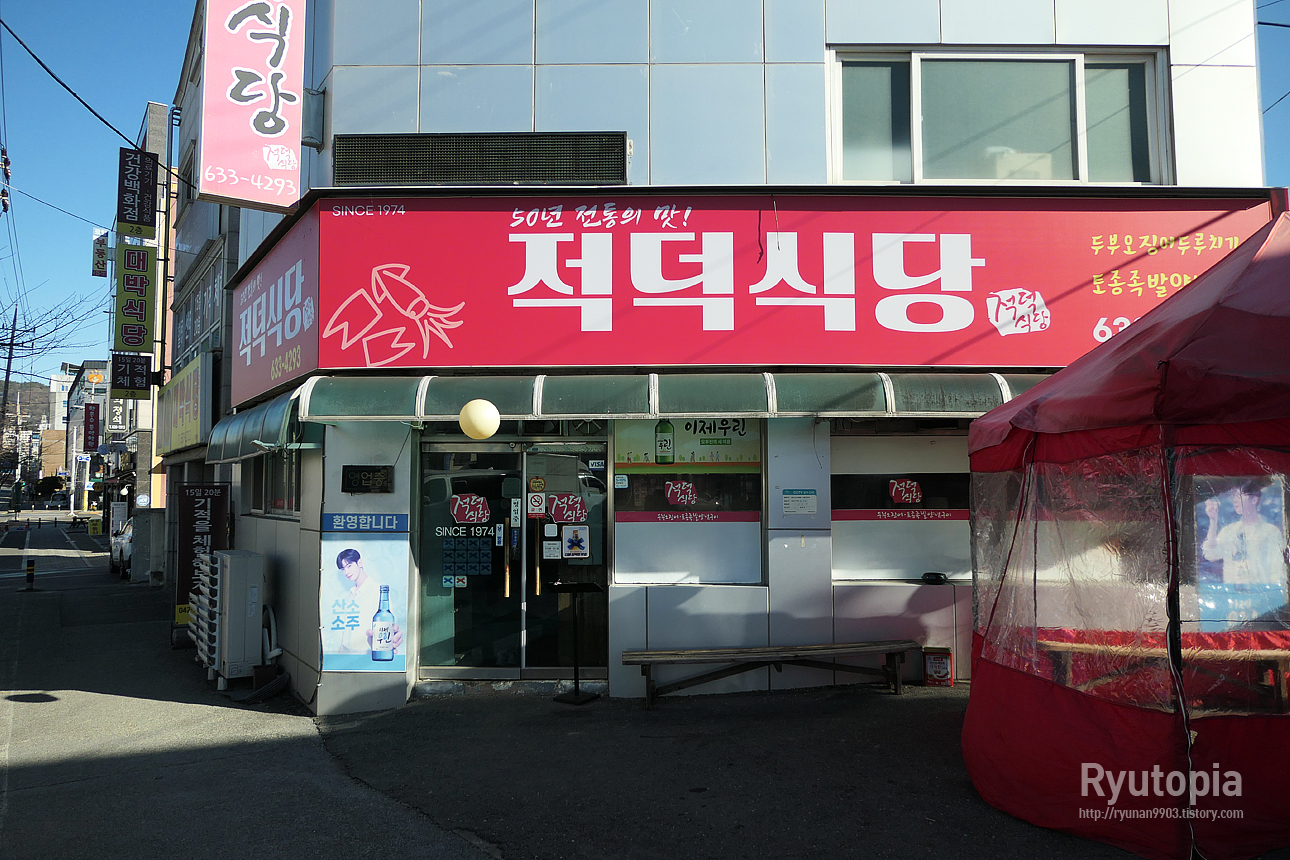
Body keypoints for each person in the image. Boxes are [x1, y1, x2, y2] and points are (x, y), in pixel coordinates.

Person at [1201, 480, 1289, 587]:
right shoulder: (1228, 531)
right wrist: (1213, 520)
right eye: (1234, 497)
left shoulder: (1271, 532)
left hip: (1261, 592)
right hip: (1232, 594)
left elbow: (1277, 570)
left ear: (1254, 500)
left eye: (1240, 496)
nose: (1235, 500)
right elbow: (1210, 554)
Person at [334, 548, 403, 655]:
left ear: (359, 563)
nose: (346, 572)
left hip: (366, 653)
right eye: (343, 569)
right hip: (346, 653)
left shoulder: (377, 591)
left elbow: (386, 627)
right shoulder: (351, 593)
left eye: (349, 566)